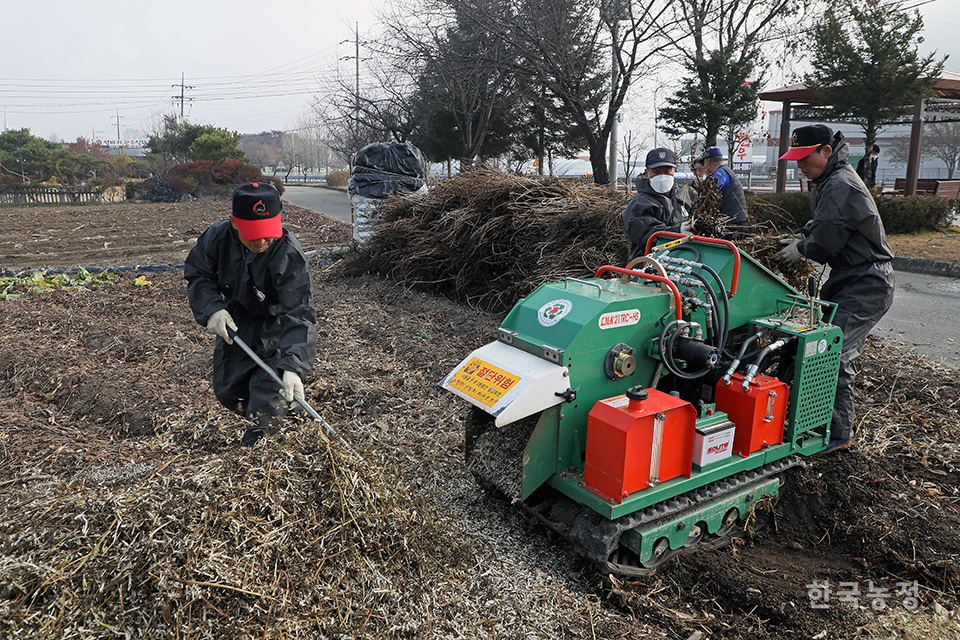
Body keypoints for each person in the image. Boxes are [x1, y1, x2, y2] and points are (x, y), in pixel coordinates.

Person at [777, 124, 894, 454]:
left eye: (805, 158)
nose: (800, 165)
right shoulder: (826, 182)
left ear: (826, 151)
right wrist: (800, 236)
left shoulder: (841, 183)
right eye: (796, 159)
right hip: (848, 278)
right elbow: (820, 223)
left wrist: (801, 248)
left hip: (868, 281)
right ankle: (811, 418)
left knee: (832, 352)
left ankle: (839, 434)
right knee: (815, 344)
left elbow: (826, 241)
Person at [185, 182, 318, 447]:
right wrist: (212, 309)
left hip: (276, 324)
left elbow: (299, 311)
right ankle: (291, 416)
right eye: (253, 234)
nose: (261, 241)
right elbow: (199, 273)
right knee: (228, 389)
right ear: (234, 222)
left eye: (267, 233)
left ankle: (260, 442)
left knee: (268, 390)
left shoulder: (287, 252)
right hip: (237, 318)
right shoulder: (218, 238)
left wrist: (293, 367)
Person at [622, 147, 695, 261]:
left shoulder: (686, 195)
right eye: (656, 172)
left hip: (687, 259)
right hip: (649, 262)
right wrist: (677, 231)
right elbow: (648, 234)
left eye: (667, 171)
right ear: (647, 173)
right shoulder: (639, 204)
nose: (662, 176)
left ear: (674, 170)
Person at [700, 147, 749, 239]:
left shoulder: (720, 173)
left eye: (704, 163)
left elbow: (709, 195)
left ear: (708, 161)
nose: (704, 166)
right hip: (738, 222)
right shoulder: (727, 171)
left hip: (733, 224)